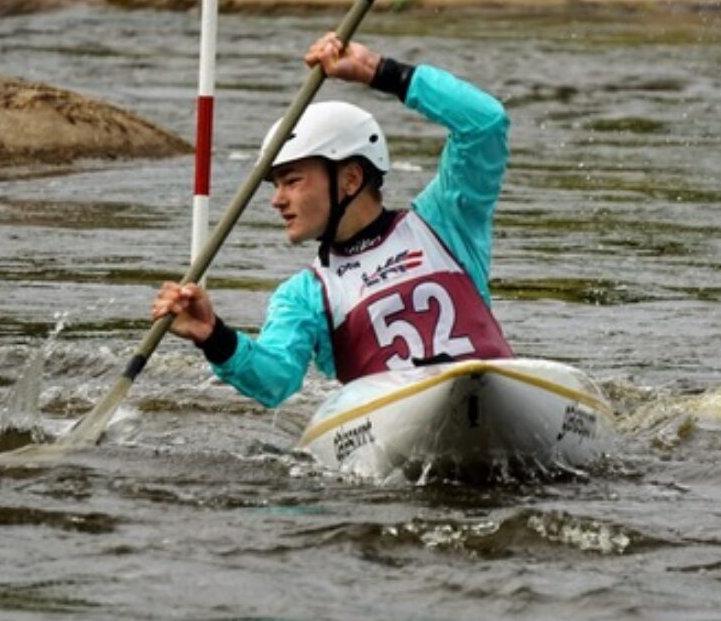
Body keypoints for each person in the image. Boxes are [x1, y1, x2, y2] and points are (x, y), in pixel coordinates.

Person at [151, 31, 513, 408]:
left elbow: (485, 125)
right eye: (275, 185)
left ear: (351, 179)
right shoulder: (305, 295)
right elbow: (277, 381)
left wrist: (379, 72)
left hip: (499, 397)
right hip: (394, 426)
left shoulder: (444, 223)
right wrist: (214, 336)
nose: (277, 200)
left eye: (292, 181)